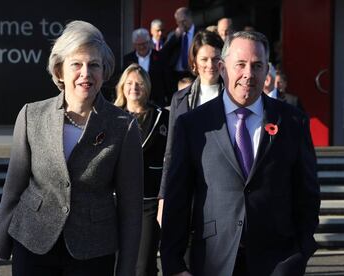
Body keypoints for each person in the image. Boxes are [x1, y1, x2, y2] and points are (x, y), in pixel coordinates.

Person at [0, 20, 143, 276]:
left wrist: (126, 270)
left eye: (94, 65)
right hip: (33, 244)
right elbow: (13, 189)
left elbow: (130, 207)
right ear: (60, 71)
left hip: (92, 252)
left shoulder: (123, 127)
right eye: (76, 64)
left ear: (104, 71)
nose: (85, 73)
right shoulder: (31, 116)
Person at [160, 31, 320, 276]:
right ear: (223, 68)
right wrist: (174, 266)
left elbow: (307, 195)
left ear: (267, 71)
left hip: (277, 262)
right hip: (212, 261)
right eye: (241, 65)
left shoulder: (292, 121)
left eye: (257, 66)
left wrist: (300, 254)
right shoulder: (193, 125)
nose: (248, 74)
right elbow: (177, 199)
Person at [157, 30, 224, 226]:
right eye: (204, 59)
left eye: (215, 58)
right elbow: (170, 151)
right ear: (194, 61)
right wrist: (163, 198)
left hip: (222, 190)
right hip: (186, 186)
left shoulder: (232, 97)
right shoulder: (180, 99)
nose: (210, 65)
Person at [115, 63, 169, 276]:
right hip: (117, 201)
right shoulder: (111, 115)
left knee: (144, 265)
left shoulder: (161, 116)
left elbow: (169, 156)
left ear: (146, 87)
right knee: (118, 262)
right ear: (122, 87)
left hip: (149, 201)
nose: (133, 87)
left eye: (138, 83)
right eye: (129, 83)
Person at [161, 7, 198, 102]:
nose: (181, 25)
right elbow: (163, 52)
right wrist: (175, 37)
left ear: (190, 18)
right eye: (178, 22)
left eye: (184, 21)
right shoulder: (174, 35)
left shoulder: (199, 33)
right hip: (176, 74)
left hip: (193, 72)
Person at [123, 28, 168, 107]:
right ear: (134, 44)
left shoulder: (160, 57)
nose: (142, 47)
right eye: (138, 44)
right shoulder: (127, 59)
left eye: (144, 43)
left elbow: (167, 80)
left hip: (156, 102)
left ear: (149, 42)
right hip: (135, 102)